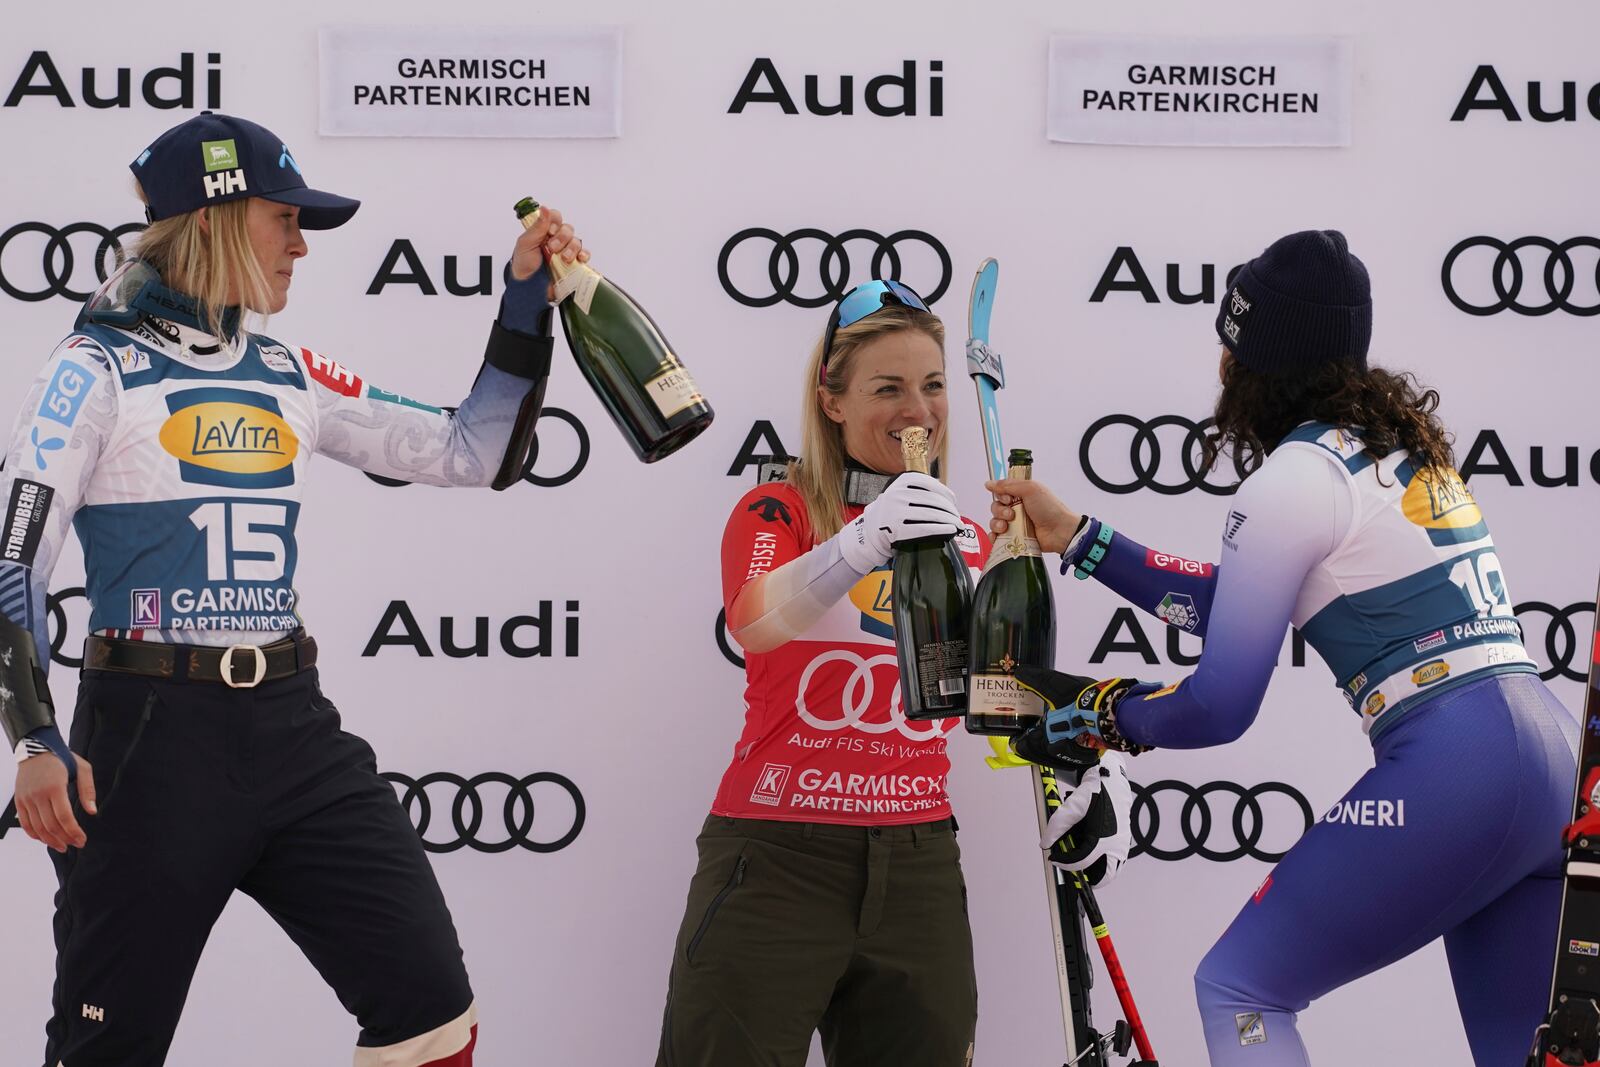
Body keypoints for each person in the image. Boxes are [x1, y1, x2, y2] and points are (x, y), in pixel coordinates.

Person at [0, 111, 588, 1067]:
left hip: (291, 728)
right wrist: (33, 736)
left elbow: (471, 449)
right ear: (218, 221)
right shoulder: (92, 367)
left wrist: (525, 300)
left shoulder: (286, 369)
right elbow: (12, 561)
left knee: (431, 1011)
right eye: (285, 220)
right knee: (107, 1049)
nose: (302, 246)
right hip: (148, 744)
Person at [990, 230, 1578, 1067]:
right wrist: (1083, 539)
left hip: (1462, 768)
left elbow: (1221, 704)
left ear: (1255, 361)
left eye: (1230, 347)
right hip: (1549, 756)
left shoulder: (1291, 480)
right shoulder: (1393, 449)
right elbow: (1236, 605)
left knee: (1241, 988)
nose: (1220, 368)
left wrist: (1108, 713)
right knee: (1523, 1052)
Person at [656, 280, 989, 1067]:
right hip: (776, 856)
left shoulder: (970, 535)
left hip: (918, 862)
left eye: (933, 384)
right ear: (832, 401)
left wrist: (1080, 755)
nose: (919, 409)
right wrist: (862, 539)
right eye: (888, 388)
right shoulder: (779, 507)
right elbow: (757, 621)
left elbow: (998, 686)